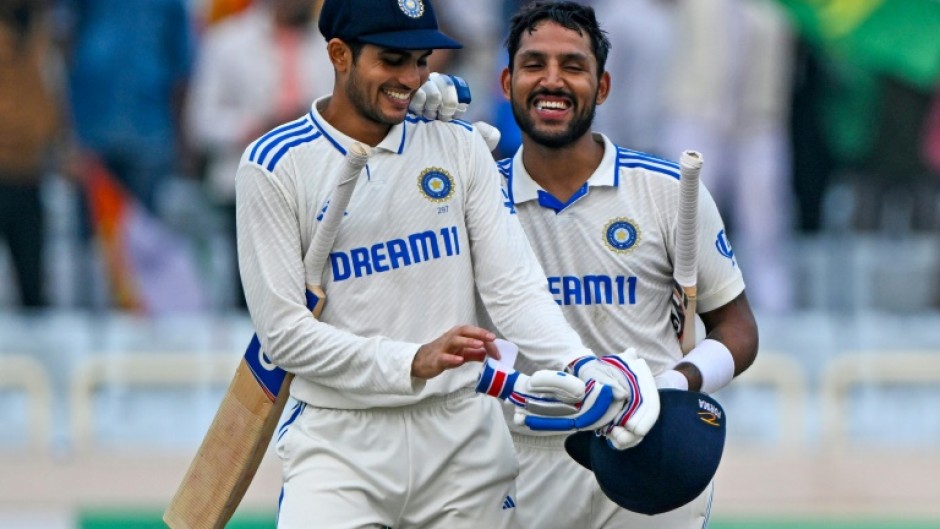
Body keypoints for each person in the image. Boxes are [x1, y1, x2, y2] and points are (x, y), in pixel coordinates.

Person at [234, 1, 658, 528]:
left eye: (420, 60)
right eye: (392, 60)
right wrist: (415, 359)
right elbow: (284, 337)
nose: (412, 79)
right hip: (339, 442)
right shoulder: (273, 164)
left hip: (462, 440)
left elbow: (514, 288)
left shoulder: (456, 144)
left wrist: (579, 363)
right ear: (339, 55)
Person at [420, 2, 759, 527]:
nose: (552, 81)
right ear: (506, 80)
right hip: (515, 457)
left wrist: (673, 384)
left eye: (573, 67)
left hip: (645, 444)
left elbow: (737, 329)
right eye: (534, 65)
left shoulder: (667, 190)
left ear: (602, 87)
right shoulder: (471, 194)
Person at [186, 0, 331, 308]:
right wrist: (255, 126)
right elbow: (201, 121)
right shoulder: (227, 41)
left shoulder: (330, 43)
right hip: (245, 179)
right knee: (256, 297)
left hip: (316, 185)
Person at [0, 0, 60, 308]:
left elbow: (50, 92)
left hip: (29, 171)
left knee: (34, 285)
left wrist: (60, 145)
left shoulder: (41, 26)